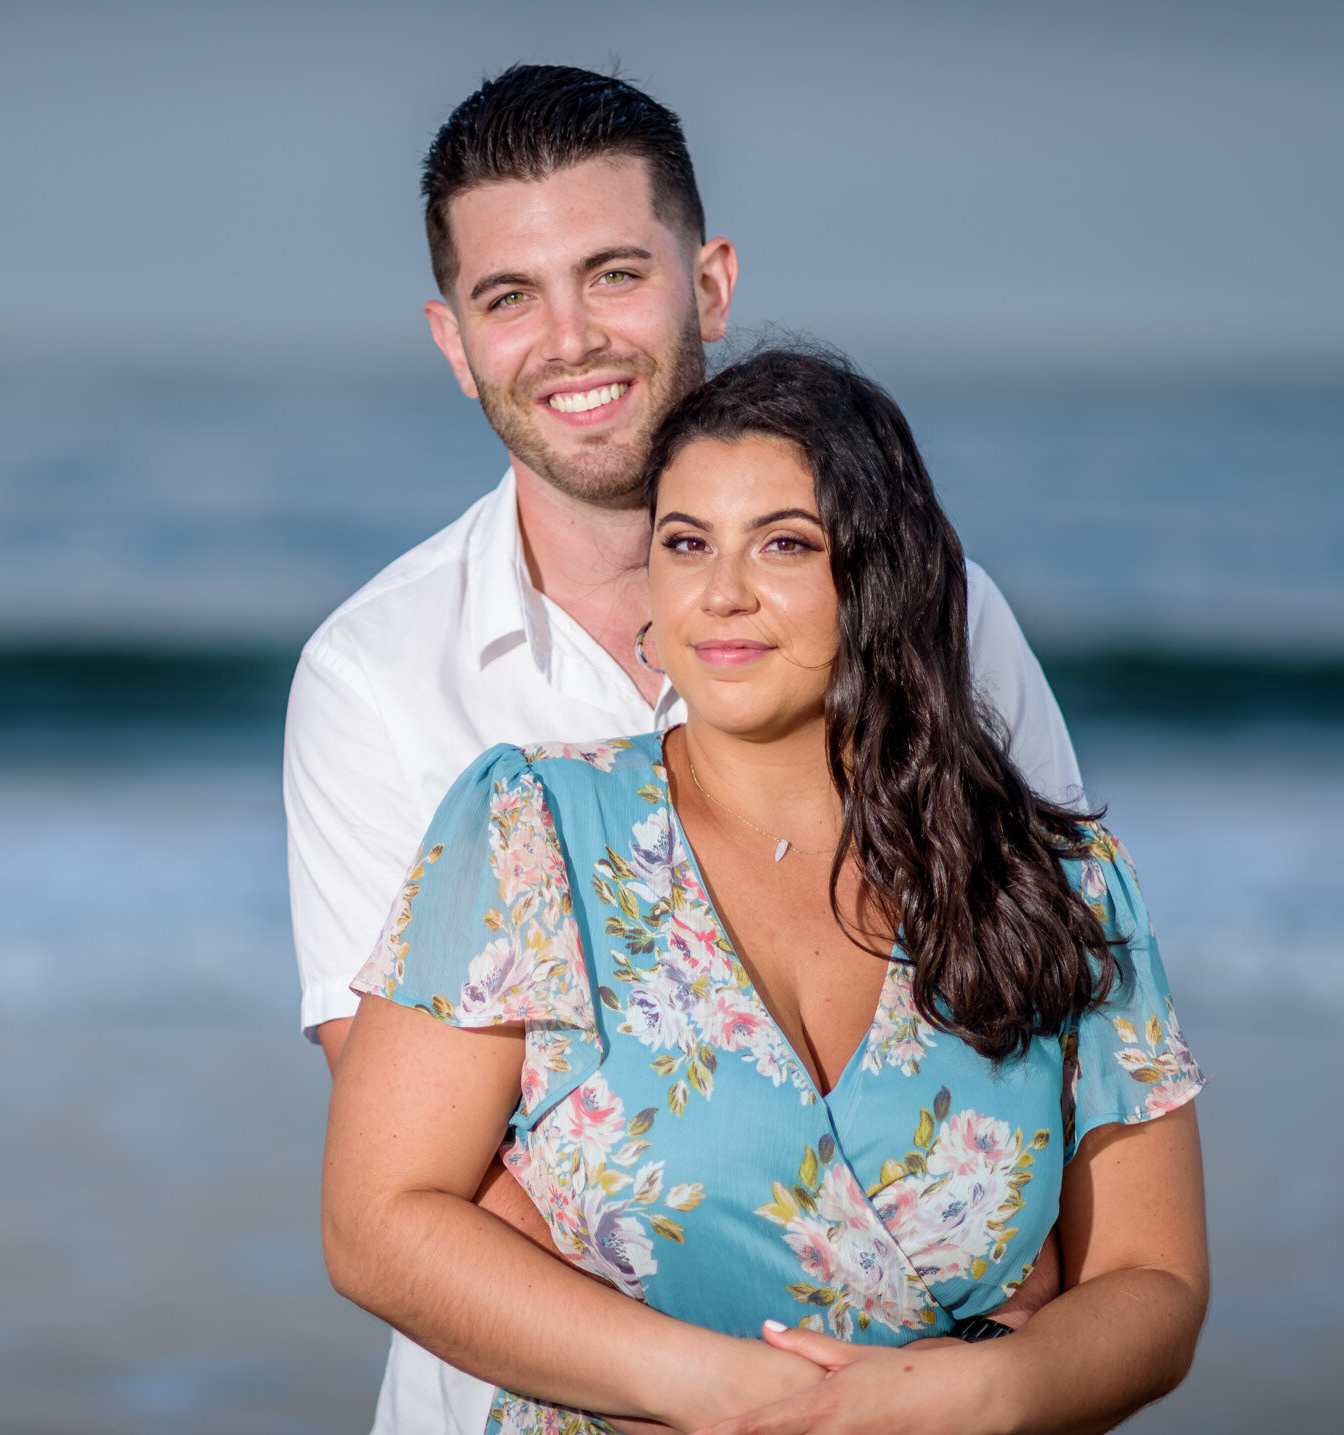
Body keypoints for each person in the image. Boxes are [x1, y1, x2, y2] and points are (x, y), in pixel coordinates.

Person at [283, 65, 1081, 1434]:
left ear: (707, 284)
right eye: (507, 297)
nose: (568, 340)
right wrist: (789, 1378)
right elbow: (429, 1166)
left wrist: (1009, 1313)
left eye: (611, 273)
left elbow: (1043, 990)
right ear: (451, 339)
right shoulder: (374, 679)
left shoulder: (934, 611)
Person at [320, 348, 1208, 1434]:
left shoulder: (1055, 877)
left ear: (881, 575)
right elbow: (379, 1221)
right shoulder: (526, 830)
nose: (721, 591)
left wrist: (988, 1391)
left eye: (783, 542)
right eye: (683, 543)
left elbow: (1153, 1283)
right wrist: (713, 1391)